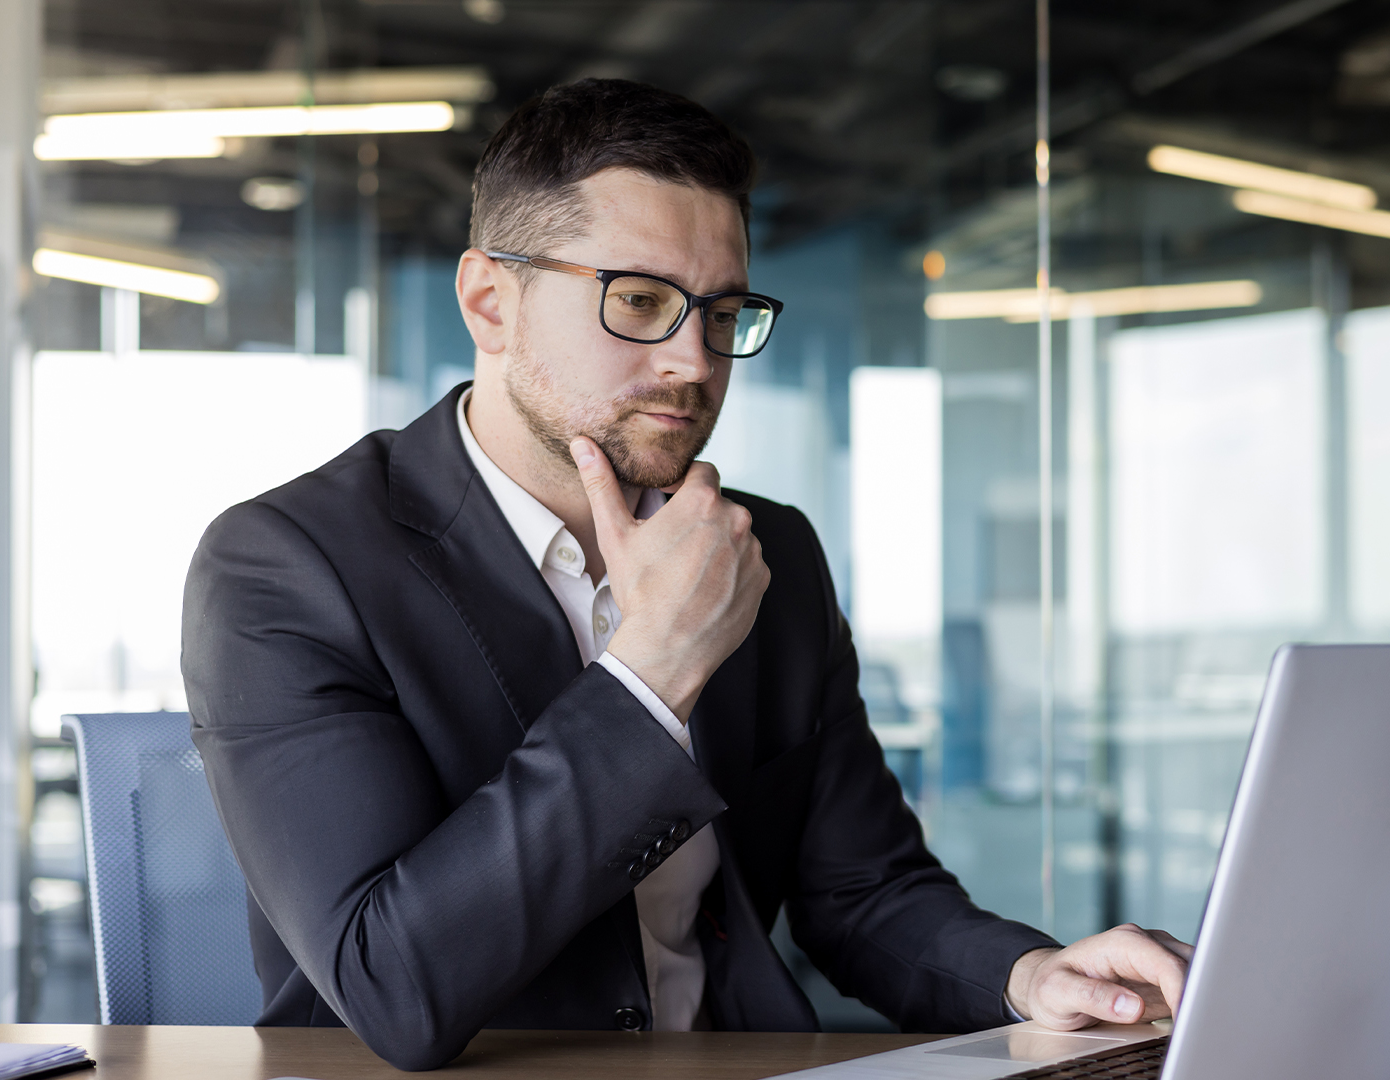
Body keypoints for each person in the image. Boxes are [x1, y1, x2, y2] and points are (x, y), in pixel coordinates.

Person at [182, 78, 1190, 1072]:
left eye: (720, 312)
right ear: (492, 302)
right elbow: (391, 989)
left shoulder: (767, 554)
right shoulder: (290, 566)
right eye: (641, 302)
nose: (694, 361)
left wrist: (1033, 974)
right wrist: (652, 674)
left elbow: (864, 895)